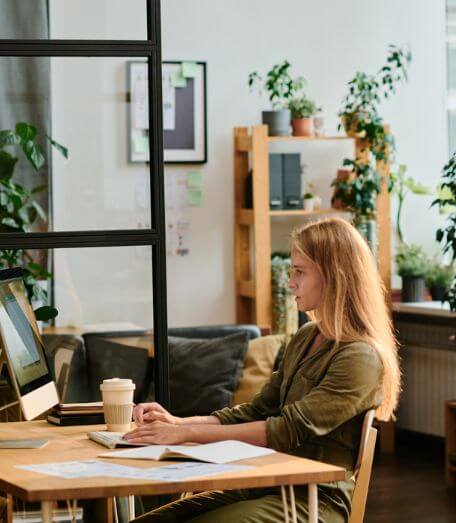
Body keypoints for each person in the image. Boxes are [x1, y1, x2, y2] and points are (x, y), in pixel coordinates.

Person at [129, 218, 400, 523]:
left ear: (334, 276)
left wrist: (185, 433)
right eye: (292, 271)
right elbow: (257, 411)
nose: (290, 283)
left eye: (300, 272)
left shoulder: (360, 358)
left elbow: (284, 430)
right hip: (268, 484)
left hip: (314, 500)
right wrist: (177, 424)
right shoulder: (305, 337)